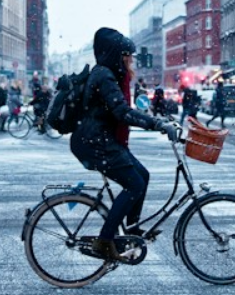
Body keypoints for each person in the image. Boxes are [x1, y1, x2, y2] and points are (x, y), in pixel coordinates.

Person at [71, 27, 176, 261]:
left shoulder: (109, 74)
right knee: (134, 185)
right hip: (95, 143)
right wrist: (157, 124)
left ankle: (131, 230)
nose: (131, 60)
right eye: (127, 55)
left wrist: (158, 121)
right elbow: (122, 112)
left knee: (143, 176)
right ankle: (104, 241)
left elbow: (121, 111)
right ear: (116, 55)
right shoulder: (104, 76)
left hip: (102, 140)